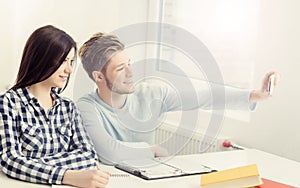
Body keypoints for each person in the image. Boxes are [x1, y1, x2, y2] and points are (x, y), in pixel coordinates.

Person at [76, 32, 279, 165]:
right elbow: (109, 153)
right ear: (99, 77)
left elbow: (203, 96)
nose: (131, 73)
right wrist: (153, 149)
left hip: (152, 177)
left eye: (130, 63)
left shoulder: (151, 93)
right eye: (121, 68)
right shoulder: (86, 108)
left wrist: (253, 95)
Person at [0, 25, 110, 188]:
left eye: (70, 61)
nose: (69, 70)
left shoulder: (68, 108)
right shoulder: (8, 103)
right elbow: (10, 160)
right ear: (40, 59)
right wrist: (68, 176)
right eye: (62, 61)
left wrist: (31, 165)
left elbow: (89, 156)